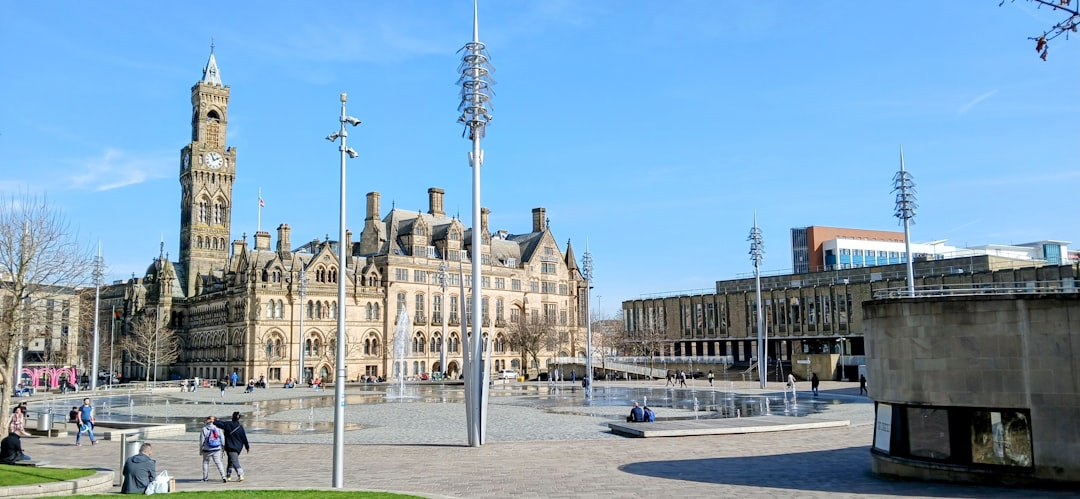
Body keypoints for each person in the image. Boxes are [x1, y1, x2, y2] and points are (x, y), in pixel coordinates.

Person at [214, 411, 250, 481]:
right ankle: (228, 475)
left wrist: (214, 420)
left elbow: (220, 424)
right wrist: (247, 446)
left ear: (232, 417)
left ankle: (240, 474)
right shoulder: (240, 427)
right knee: (231, 460)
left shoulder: (228, 424)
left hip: (230, 446)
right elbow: (244, 438)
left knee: (234, 461)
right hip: (238, 447)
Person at [199, 416, 227, 483]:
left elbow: (201, 441)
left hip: (207, 449)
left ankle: (205, 478)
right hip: (217, 448)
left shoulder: (204, 429)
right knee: (219, 462)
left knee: (206, 463)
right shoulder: (218, 429)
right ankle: (223, 476)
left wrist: (200, 450)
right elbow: (222, 439)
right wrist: (223, 448)